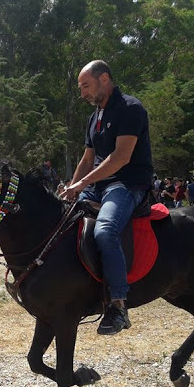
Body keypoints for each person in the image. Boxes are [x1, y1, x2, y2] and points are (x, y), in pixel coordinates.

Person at [61, 60, 153, 335]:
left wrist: (82, 183)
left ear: (104, 79)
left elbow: (120, 158)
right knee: (61, 221)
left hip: (127, 184)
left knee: (105, 231)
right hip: (98, 185)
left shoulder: (130, 108)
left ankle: (118, 305)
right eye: (81, 88)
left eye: (86, 86)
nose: (83, 94)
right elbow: (87, 159)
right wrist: (71, 187)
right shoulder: (95, 117)